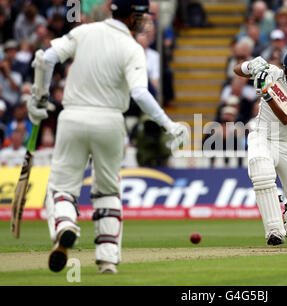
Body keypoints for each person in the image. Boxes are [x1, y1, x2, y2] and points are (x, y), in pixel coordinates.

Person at [26, 0, 186, 274]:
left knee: (62, 187)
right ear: (134, 17)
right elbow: (139, 94)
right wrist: (168, 125)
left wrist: (39, 98)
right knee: (108, 189)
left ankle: (65, 224)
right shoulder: (133, 48)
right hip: (111, 121)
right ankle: (108, 257)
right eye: (142, 16)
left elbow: (45, 58)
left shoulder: (84, 31)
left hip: (73, 117)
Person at [233, 50, 287, 246]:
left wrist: (267, 95)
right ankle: (274, 231)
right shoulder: (273, 73)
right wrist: (251, 66)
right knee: (261, 174)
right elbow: (237, 70)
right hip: (263, 136)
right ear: (285, 70)